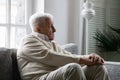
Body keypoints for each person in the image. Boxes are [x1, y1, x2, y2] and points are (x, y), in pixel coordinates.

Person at [17, 12, 110, 80]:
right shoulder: (28, 41)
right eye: (50, 26)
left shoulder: (52, 44)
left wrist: (90, 58)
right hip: (39, 78)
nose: (54, 29)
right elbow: (50, 57)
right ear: (38, 29)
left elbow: (68, 56)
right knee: (73, 68)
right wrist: (83, 59)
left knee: (97, 67)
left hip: (55, 76)